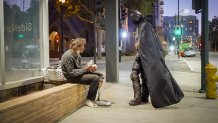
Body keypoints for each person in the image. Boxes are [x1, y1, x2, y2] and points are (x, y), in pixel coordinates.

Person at [129, 10, 184, 108]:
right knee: (144, 76)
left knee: (134, 74)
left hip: (143, 55)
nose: (132, 20)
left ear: (137, 17)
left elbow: (146, 43)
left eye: (133, 18)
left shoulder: (145, 25)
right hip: (142, 55)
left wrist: (140, 53)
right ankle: (144, 97)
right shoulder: (142, 26)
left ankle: (138, 99)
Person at [61, 38, 103, 108]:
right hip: (71, 78)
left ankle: (96, 98)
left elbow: (79, 69)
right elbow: (71, 73)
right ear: (78, 46)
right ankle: (89, 99)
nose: (84, 48)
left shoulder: (78, 55)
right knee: (95, 78)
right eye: (83, 46)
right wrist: (85, 69)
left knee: (99, 75)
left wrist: (89, 69)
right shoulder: (68, 56)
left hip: (77, 75)